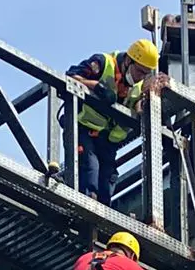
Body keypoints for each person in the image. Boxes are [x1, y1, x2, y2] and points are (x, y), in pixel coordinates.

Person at [66, 40, 164, 205]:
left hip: (107, 141)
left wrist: (149, 101)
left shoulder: (138, 87)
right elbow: (69, 77)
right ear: (128, 61)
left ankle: (100, 220)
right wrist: (96, 86)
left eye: (146, 74)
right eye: (139, 71)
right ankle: (85, 209)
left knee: (108, 181)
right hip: (84, 129)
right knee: (90, 169)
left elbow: (137, 107)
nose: (141, 77)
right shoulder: (103, 63)